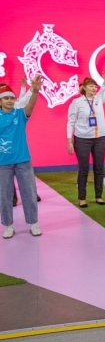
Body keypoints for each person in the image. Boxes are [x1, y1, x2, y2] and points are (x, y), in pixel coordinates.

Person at [67, 62, 105, 208]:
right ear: (84, 88)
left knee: (99, 167)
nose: (94, 88)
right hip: (82, 139)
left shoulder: (99, 99)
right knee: (83, 169)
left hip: (100, 138)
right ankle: (82, 198)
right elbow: (71, 122)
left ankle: (99, 196)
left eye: (95, 86)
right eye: (91, 86)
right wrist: (70, 140)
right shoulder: (76, 102)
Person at [0, 75, 43, 238]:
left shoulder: (19, 114)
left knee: (29, 194)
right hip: (3, 163)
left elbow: (30, 104)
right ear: (0, 101)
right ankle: (8, 225)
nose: (9, 101)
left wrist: (35, 91)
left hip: (23, 161)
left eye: (12, 98)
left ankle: (33, 223)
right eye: (6, 98)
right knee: (4, 197)